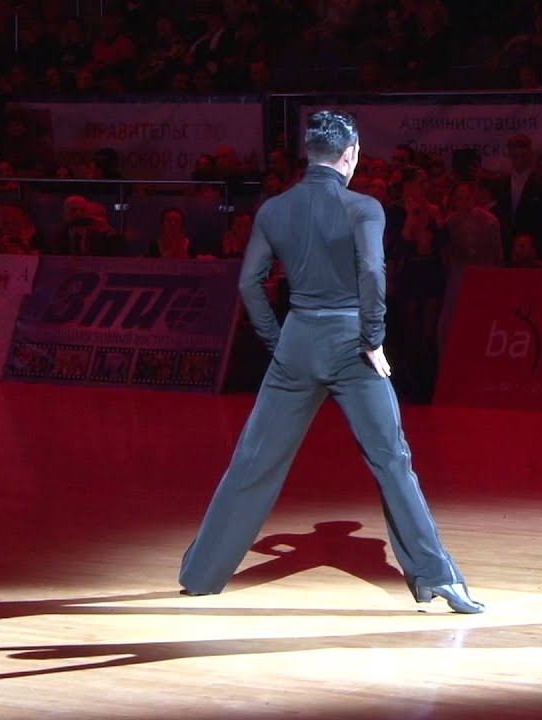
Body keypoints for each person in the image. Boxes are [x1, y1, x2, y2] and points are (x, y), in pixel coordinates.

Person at [178, 110, 484, 614]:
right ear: (351, 155)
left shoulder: (275, 209)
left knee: (253, 461)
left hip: (297, 339)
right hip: (351, 341)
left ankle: (200, 575)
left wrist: (279, 342)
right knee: (391, 460)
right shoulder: (363, 207)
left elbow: (249, 284)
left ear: (310, 154)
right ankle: (436, 578)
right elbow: (372, 271)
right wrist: (373, 337)